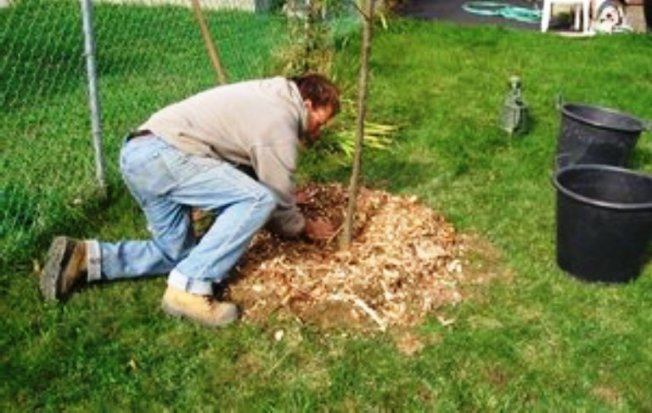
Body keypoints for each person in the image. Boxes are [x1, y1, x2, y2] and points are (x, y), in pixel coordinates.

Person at [39, 73, 340, 328]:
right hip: (166, 156)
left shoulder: (269, 94)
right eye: (321, 120)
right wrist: (302, 227)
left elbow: (260, 169)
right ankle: (188, 291)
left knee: (179, 253)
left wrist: (284, 196)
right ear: (308, 104)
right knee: (257, 201)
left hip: (139, 152)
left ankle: (85, 258)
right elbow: (272, 196)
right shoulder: (281, 120)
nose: (319, 129)